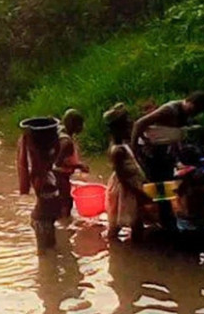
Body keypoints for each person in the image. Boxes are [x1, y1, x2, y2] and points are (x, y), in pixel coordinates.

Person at [18, 112, 89, 249]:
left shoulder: (43, 174)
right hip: (42, 222)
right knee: (46, 255)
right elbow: (55, 167)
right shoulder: (44, 178)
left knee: (48, 257)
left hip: (43, 221)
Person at [131, 91, 204, 182]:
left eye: (196, 113)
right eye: (193, 110)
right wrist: (135, 148)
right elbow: (139, 124)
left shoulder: (185, 113)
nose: (193, 114)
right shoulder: (169, 110)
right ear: (189, 102)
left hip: (164, 149)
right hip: (150, 150)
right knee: (156, 181)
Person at [103, 103, 151, 241]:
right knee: (120, 223)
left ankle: (123, 254)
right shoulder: (117, 151)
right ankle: (127, 256)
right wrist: (140, 192)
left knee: (132, 220)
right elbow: (123, 178)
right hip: (124, 189)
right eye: (127, 123)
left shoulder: (121, 144)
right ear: (119, 128)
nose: (131, 124)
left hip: (128, 186)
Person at [173, 146, 204, 235]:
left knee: (188, 235)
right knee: (201, 232)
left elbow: (181, 197)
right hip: (203, 213)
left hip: (186, 216)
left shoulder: (182, 179)